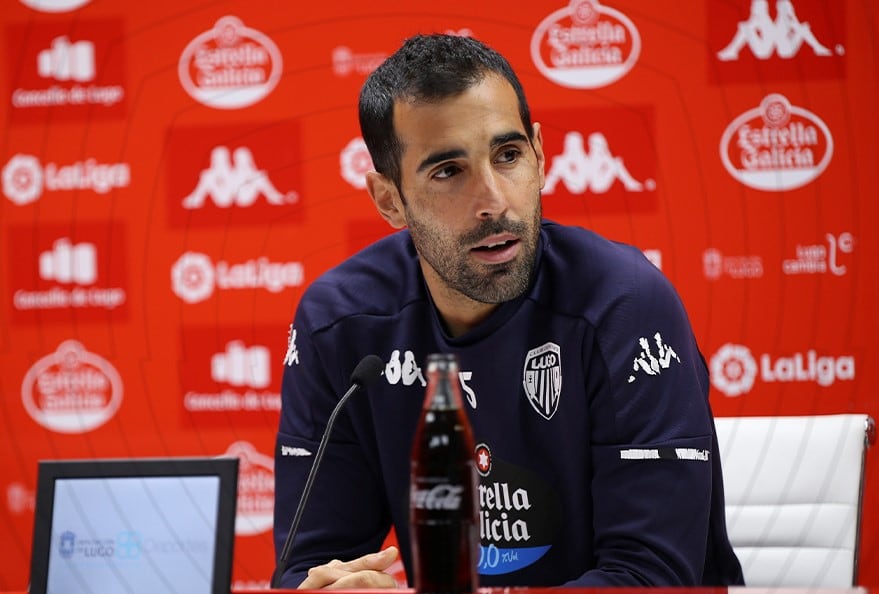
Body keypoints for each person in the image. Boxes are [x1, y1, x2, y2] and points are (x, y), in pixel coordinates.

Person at [273, 33, 744, 588]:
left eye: (508, 155)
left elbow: (651, 578)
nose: (493, 201)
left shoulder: (625, 304)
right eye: (448, 171)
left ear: (541, 157)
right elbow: (307, 568)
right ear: (389, 199)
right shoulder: (339, 324)